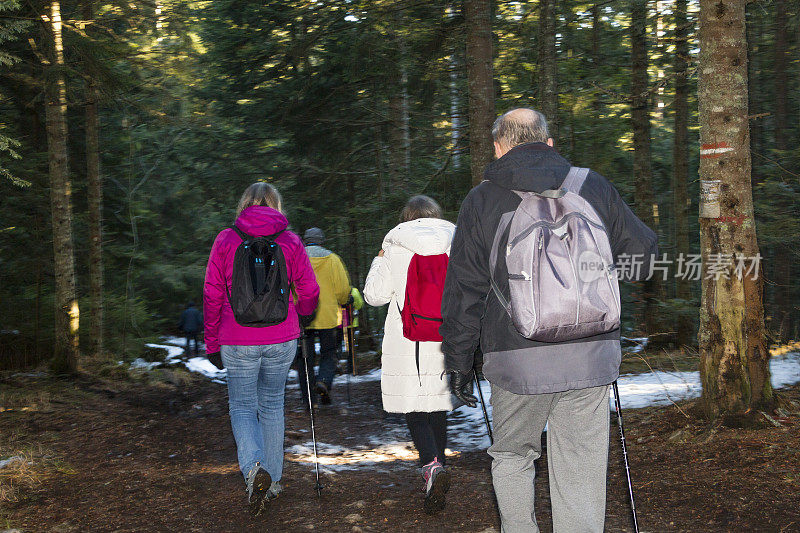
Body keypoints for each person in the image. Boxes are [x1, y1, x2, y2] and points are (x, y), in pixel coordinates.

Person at [441, 108, 657, 532]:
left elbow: (465, 290)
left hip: (516, 357)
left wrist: (459, 362)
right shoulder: (591, 185)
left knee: (512, 456)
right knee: (580, 461)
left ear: (499, 148)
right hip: (591, 355)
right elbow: (643, 258)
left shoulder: (482, 199)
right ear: (549, 144)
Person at [203, 182, 319, 516]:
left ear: (243, 205)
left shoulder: (226, 239)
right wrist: (305, 312)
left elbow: (212, 292)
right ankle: (275, 480)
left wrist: (212, 340)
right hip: (282, 336)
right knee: (271, 405)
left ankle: (255, 469)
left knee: (241, 407)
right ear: (277, 206)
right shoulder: (291, 240)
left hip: (236, 337)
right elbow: (309, 289)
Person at [364, 195, 456, 515]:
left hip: (408, 339)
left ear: (406, 218)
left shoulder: (395, 244)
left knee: (415, 406)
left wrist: (379, 259)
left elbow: (374, 296)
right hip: (446, 335)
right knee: (438, 403)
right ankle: (437, 467)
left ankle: (431, 466)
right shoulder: (455, 241)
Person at [297, 227, 352, 406]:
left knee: (305, 358)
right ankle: (324, 381)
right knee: (329, 352)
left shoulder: (296, 258)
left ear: (305, 241)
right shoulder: (333, 260)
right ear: (322, 241)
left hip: (303, 317)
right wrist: (345, 300)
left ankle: (308, 399)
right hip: (328, 316)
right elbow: (343, 289)